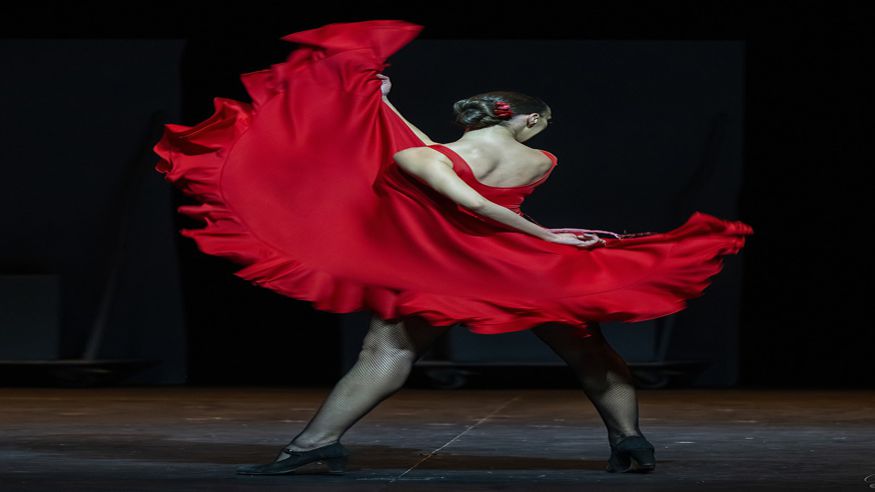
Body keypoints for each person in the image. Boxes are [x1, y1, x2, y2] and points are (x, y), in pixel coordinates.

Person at [153, 19, 753, 477]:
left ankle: (312, 445)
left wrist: (375, 100)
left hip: (443, 269)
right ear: (526, 122)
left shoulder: (422, 158)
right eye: (541, 121)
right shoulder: (540, 160)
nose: (544, 130)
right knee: (585, 346)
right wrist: (549, 237)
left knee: (387, 349)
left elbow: (440, 168)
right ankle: (630, 442)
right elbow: (479, 199)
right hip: (519, 263)